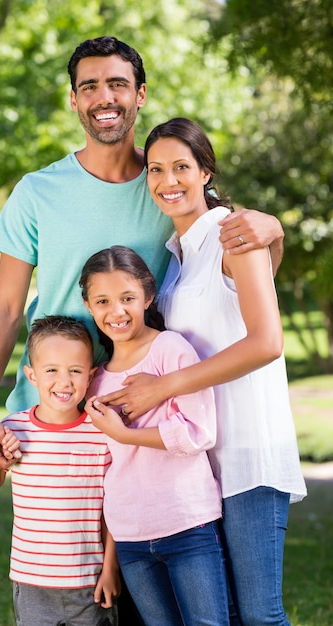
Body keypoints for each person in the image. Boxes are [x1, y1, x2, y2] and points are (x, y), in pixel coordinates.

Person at [0, 36, 285, 475]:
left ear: (140, 94)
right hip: (59, 411)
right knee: (54, 542)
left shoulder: (168, 185)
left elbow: (234, 256)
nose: (104, 97)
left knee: (140, 542)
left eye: (117, 83)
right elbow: (3, 309)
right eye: (90, 86)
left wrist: (274, 229)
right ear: (74, 99)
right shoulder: (36, 192)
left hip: (145, 410)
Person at [99, 118, 307, 626]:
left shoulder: (233, 234)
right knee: (228, 613)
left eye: (181, 167)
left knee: (260, 614)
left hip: (250, 454)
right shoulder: (175, 259)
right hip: (202, 458)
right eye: (155, 170)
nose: (168, 180)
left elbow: (267, 341)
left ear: (205, 172)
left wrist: (162, 388)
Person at [79, 245, 229, 626]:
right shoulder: (95, 379)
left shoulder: (169, 349)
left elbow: (198, 431)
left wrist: (127, 435)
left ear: (148, 295)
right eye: (103, 301)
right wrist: (109, 560)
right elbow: (104, 468)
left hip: (187, 523)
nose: (116, 311)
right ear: (89, 305)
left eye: (127, 298)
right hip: (130, 536)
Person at [0, 315, 120, 626]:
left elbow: (112, 509)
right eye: (51, 370)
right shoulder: (13, 428)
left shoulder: (101, 433)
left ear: (92, 375)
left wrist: (110, 569)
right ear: (32, 375)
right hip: (32, 581)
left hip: (88, 580)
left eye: (75, 371)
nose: (64, 381)